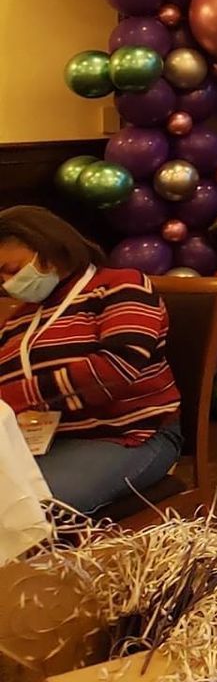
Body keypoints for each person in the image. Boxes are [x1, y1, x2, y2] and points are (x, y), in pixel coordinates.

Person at [0, 205, 182, 516]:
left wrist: (17, 397)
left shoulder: (121, 285)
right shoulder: (20, 319)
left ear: (51, 249)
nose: (6, 284)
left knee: (25, 512)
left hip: (129, 436)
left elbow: (115, 369)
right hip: (48, 441)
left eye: (13, 269)